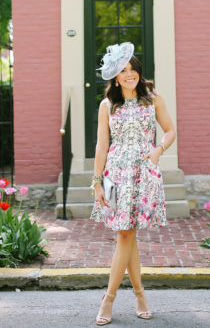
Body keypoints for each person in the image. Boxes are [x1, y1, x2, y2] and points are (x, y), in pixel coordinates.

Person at [90, 42, 176, 325]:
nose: (129, 75)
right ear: (115, 77)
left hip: (144, 172)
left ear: (138, 72)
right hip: (117, 174)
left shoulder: (153, 99)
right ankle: (118, 297)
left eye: (132, 69)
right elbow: (102, 146)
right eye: (123, 71)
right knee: (125, 235)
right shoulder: (107, 106)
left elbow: (170, 130)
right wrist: (97, 182)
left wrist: (158, 150)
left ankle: (128, 295)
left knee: (129, 235)